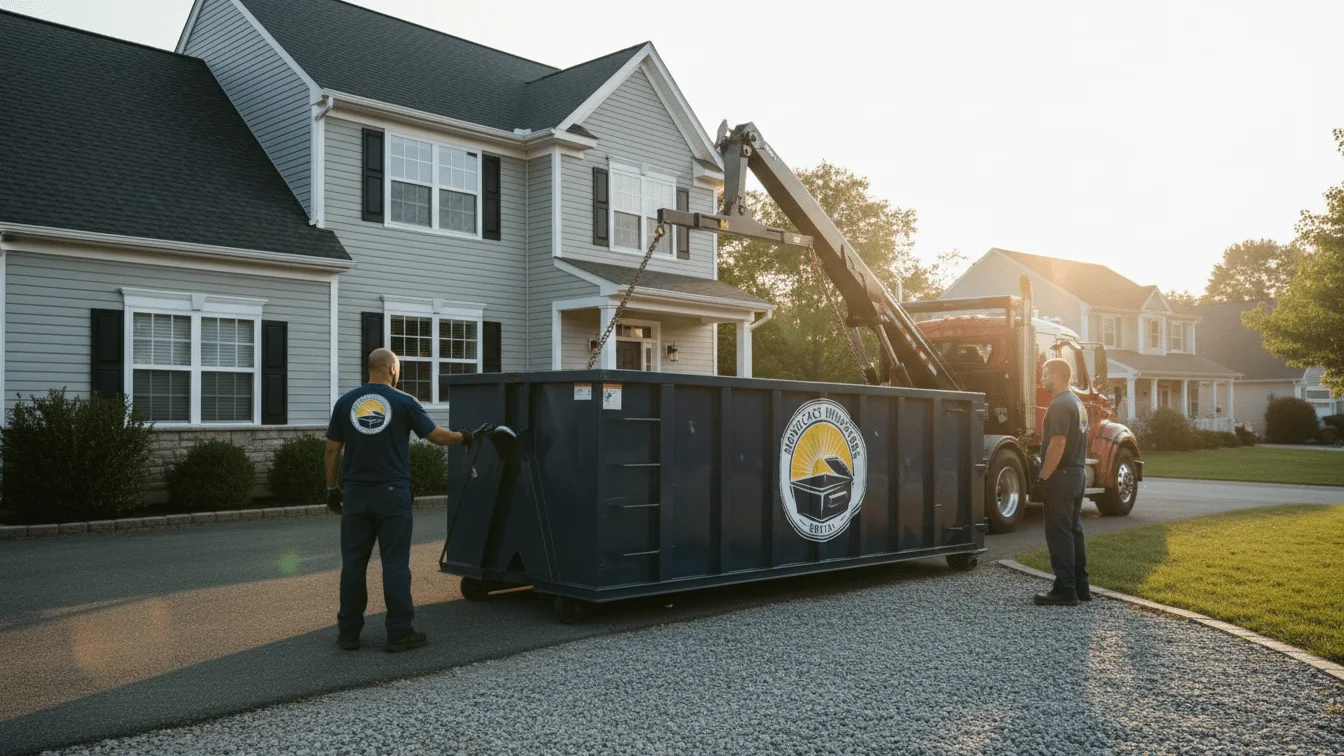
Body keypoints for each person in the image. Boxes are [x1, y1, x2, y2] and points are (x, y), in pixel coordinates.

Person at [325, 348, 490, 652]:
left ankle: (348, 633)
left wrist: (332, 489)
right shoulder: (404, 402)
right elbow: (436, 436)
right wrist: (465, 437)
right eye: (398, 368)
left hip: (356, 495)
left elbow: (332, 449)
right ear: (391, 369)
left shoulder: (345, 403)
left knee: (353, 564)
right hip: (391, 495)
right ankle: (399, 632)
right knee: (395, 564)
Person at [1034, 357, 1090, 606]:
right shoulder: (1077, 403)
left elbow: (1057, 443)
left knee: (1059, 533)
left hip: (1062, 477)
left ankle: (1065, 589)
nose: (1041, 379)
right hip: (1078, 474)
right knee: (1074, 531)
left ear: (1056, 376)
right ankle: (1081, 586)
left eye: (1045, 374)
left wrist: (1043, 478)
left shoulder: (1059, 405)